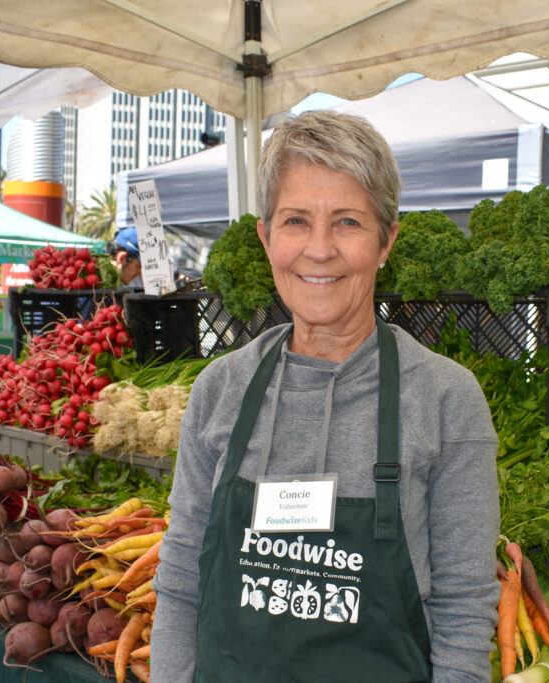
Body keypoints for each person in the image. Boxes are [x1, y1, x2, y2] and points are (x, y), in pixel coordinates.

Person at [150, 111, 499, 681]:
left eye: (347, 223)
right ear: (266, 239)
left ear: (387, 241)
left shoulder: (444, 399)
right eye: (295, 221)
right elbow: (183, 578)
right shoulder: (221, 389)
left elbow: (463, 613)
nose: (319, 249)